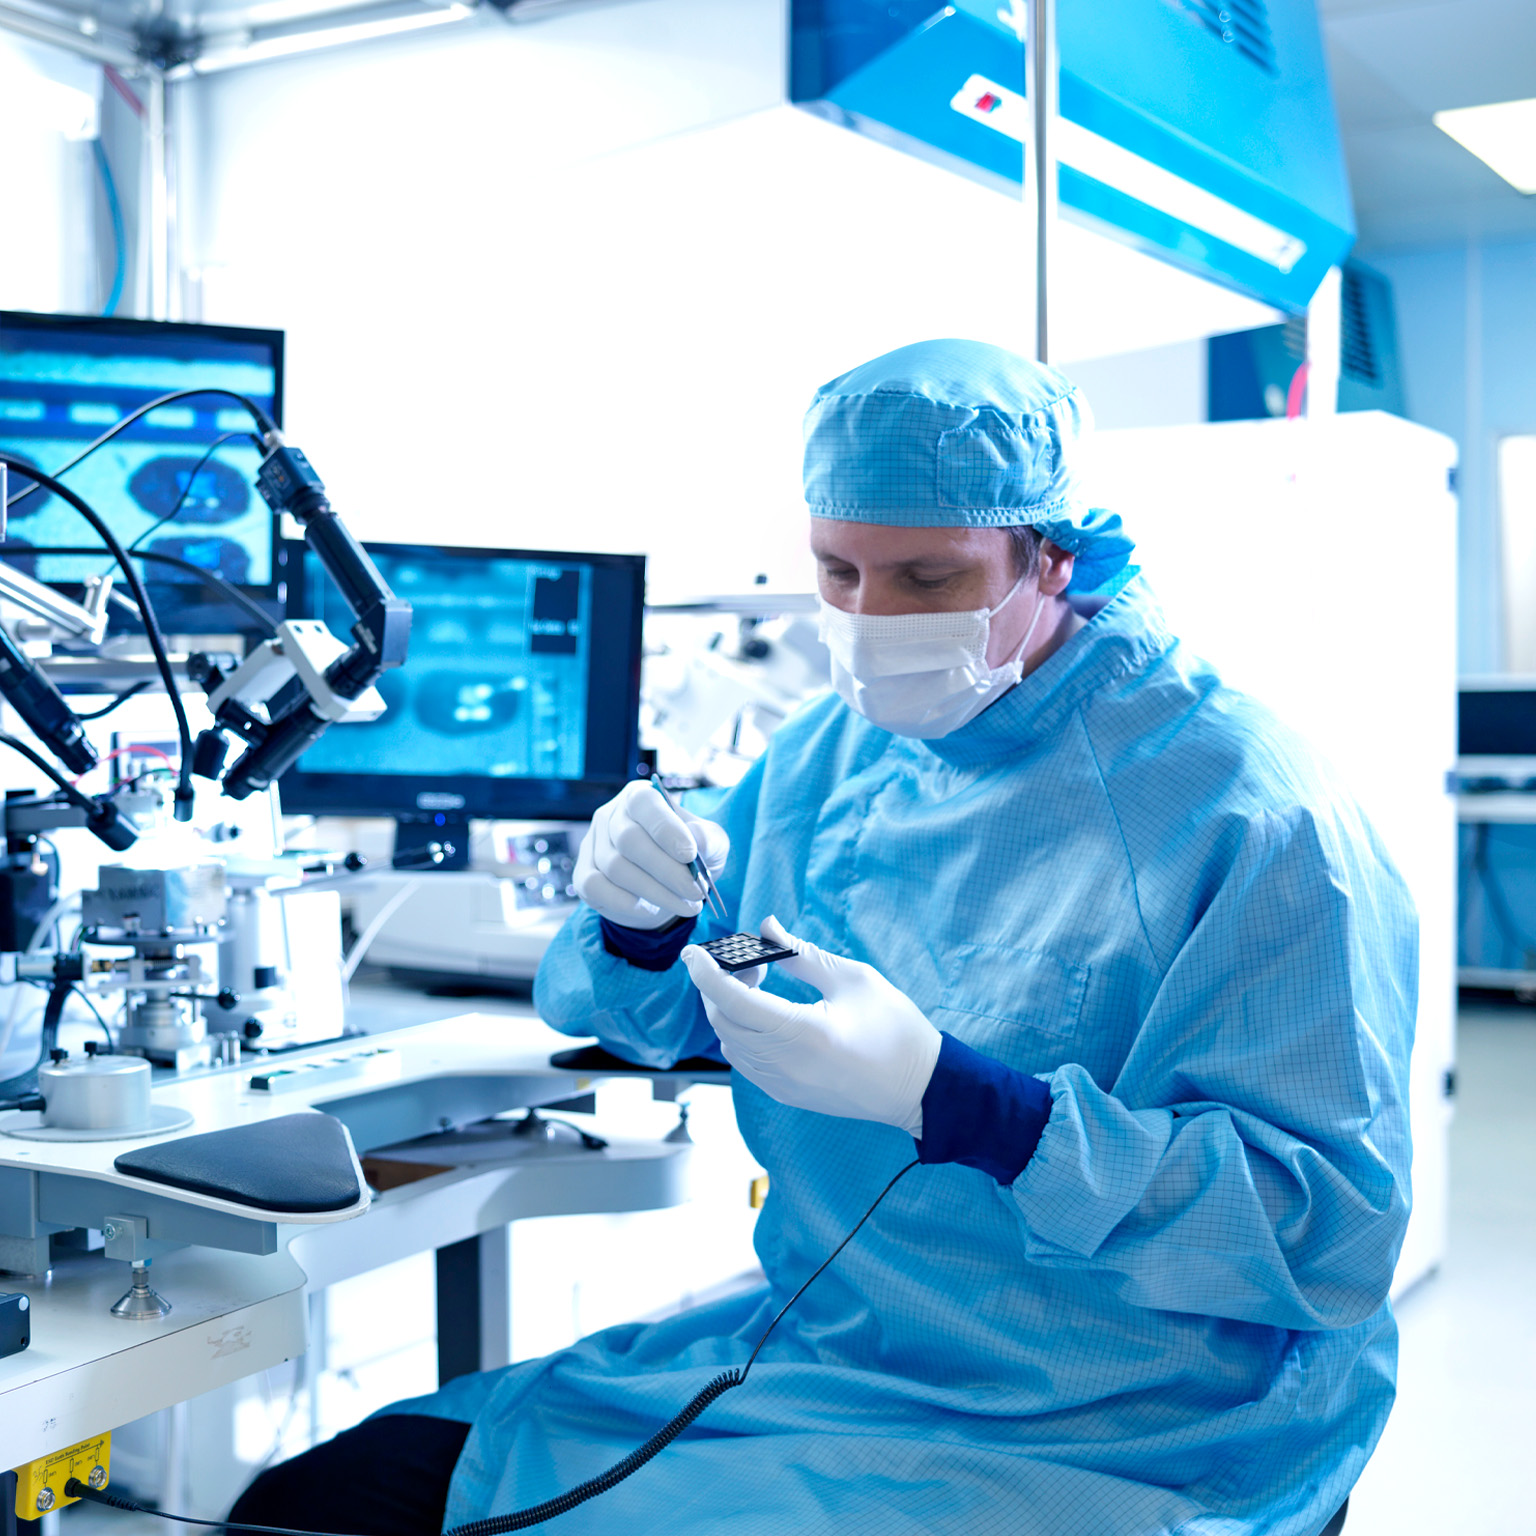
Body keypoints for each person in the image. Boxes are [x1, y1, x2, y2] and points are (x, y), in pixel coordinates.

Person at [232, 340, 1416, 1536]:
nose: (867, 619)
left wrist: (975, 1108)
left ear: (1053, 558)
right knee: (305, 1508)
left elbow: (1324, 1233)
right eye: (836, 571)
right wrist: (651, 934)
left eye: (924, 577)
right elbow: (729, 978)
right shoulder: (826, 755)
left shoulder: (1253, 816)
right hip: (826, 1351)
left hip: (1126, 1422)